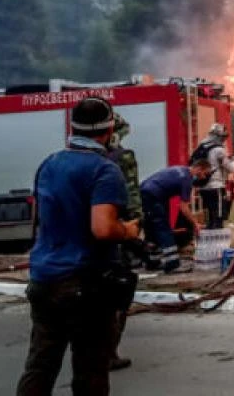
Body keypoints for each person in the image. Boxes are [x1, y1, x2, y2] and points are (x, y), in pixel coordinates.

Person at [17, 97, 140, 396]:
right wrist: (128, 230)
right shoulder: (104, 170)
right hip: (85, 284)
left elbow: (42, 219)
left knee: (40, 366)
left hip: (44, 279)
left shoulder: (49, 164)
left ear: (72, 128)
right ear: (109, 130)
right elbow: (103, 228)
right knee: (90, 371)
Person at [103, 113, 143, 372]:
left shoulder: (75, 158)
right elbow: (132, 195)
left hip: (88, 237)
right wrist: (137, 229)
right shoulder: (123, 157)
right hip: (117, 233)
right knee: (120, 291)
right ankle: (109, 353)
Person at [141, 163, 210, 273]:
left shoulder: (181, 169)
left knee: (152, 227)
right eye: (205, 174)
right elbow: (184, 207)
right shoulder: (187, 179)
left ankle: (152, 261)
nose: (204, 177)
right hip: (154, 195)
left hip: (146, 190)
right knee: (163, 227)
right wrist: (195, 223)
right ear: (199, 169)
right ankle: (172, 264)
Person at [194, 123, 234, 229]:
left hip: (203, 187)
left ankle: (209, 236)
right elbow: (231, 168)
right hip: (216, 187)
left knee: (210, 218)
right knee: (218, 218)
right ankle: (217, 238)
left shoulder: (201, 146)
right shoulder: (219, 150)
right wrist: (232, 159)